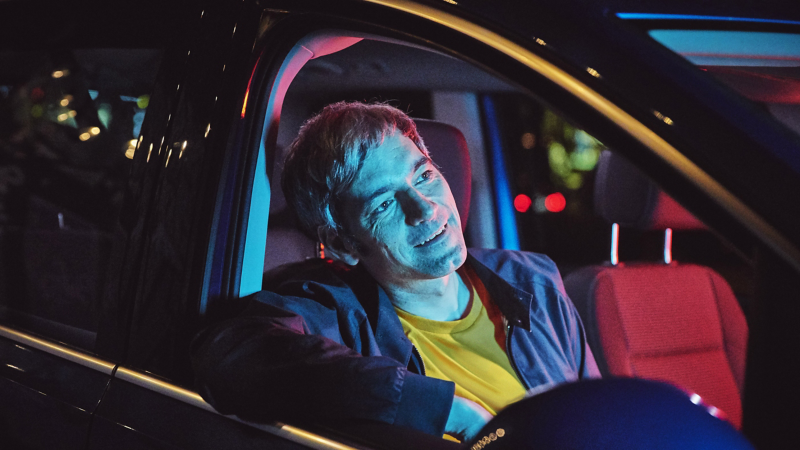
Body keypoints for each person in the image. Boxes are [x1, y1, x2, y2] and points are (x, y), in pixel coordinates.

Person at [192, 101, 600, 442]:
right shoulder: (331, 311)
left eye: (424, 176)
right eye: (384, 204)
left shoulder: (531, 278)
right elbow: (229, 356)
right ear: (342, 244)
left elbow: (602, 416)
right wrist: (450, 412)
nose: (425, 208)